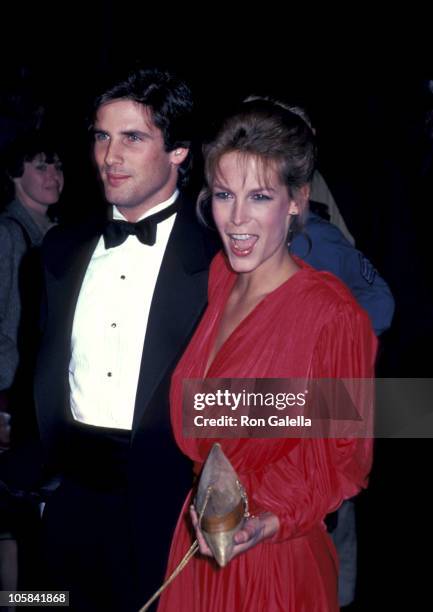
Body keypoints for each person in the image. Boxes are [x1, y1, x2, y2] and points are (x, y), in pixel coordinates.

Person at [158, 98, 377, 611]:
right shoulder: (221, 277)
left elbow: (345, 456)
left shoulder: (332, 315)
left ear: (297, 199)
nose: (236, 219)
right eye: (223, 194)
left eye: (259, 196)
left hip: (271, 559)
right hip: (200, 539)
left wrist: (270, 515)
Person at [29, 68, 218, 612]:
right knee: (40, 602)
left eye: (133, 137)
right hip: (69, 500)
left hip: (169, 504)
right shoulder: (60, 249)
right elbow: (47, 368)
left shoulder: (218, 264)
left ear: (180, 149)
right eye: (100, 136)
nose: (110, 155)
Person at [0, 131, 63, 596]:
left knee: (28, 519)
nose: (53, 175)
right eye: (41, 165)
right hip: (10, 395)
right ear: (15, 172)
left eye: (58, 165)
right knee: (11, 521)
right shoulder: (8, 233)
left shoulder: (55, 234)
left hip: (38, 398)